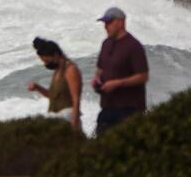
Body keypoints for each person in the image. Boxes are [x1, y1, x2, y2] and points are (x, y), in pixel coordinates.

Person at [91, 7, 149, 135]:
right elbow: (100, 68)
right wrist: (96, 79)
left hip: (129, 109)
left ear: (121, 22)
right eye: (104, 23)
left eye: (109, 22)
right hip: (107, 107)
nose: (105, 26)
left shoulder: (134, 46)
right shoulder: (106, 44)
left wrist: (117, 83)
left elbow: (143, 76)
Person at [27, 37, 83, 133]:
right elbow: (53, 96)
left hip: (68, 118)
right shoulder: (57, 71)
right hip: (57, 119)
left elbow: (76, 99)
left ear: (56, 55)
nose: (46, 64)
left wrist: (75, 122)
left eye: (47, 61)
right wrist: (38, 88)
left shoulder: (70, 70)